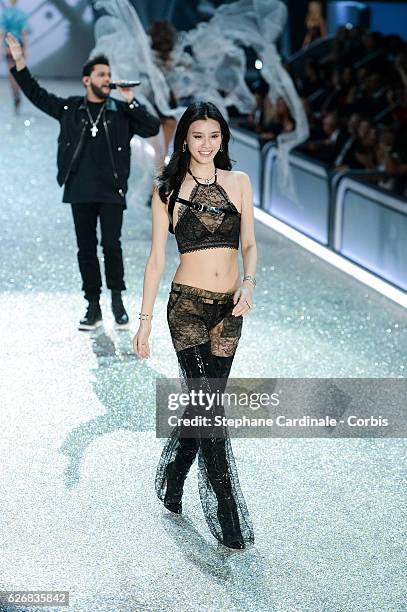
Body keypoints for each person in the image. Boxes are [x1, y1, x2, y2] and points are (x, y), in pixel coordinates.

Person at [133, 101, 257, 549]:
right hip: (185, 307)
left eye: (215, 136)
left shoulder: (239, 182)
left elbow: (249, 245)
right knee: (210, 410)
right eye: (198, 136)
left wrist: (250, 284)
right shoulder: (167, 188)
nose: (206, 145)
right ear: (184, 137)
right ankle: (228, 519)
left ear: (223, 139)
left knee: (204, 406)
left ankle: (172, 475)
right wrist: (144, 324)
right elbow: (154, 261)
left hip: (230, 310)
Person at [6, 33, 160, 330]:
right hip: (79, 189)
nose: (107, 79)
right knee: (86, 249)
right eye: (101, 75)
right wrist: (20, 62)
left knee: (112, 246)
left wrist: (130, 100)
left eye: (109, 75)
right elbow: (36, 94)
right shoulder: (71, 109)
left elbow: (151, 127)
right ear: (86, 80)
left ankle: (117, 301)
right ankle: (93, 306)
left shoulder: (121, 111)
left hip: (111, 191)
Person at [0, 0, 28, 113]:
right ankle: (18, 95)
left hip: (8, 45)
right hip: (18, 45)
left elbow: (2, 33)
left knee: (12, 73)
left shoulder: (5, 14)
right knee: (19, 71)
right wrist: (25, 50)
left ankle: (15, 97)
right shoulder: (21, 14)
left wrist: (1, 49)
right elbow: (24, 33)